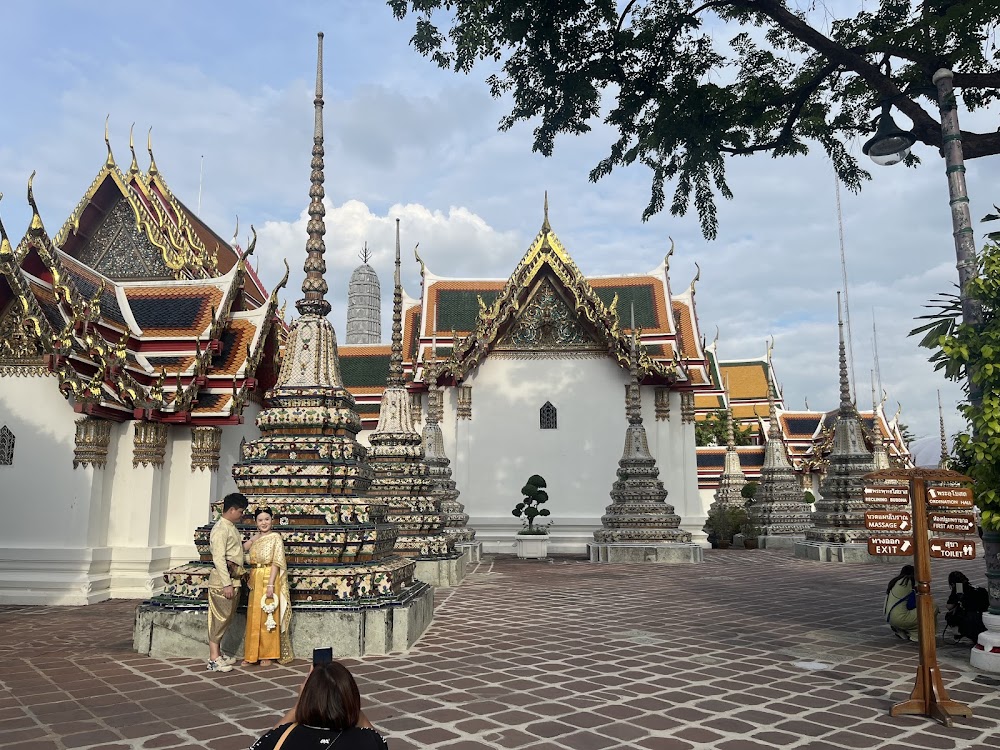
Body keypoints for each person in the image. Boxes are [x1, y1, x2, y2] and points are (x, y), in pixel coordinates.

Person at [249, 661, 388, 749]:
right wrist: (348, 702)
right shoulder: (367, 741)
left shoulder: (281, 736)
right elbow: (381, 742)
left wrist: (299, 705)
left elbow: (261, 744)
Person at [242, 507, 293, 666]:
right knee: (253, 615)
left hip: (269, 577)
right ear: (255, 522)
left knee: (268, 616)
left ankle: (268, 654)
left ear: (272, 519)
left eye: (267, 519)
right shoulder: (255, 538)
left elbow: (277, 562)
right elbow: (240, 550)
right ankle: (252, 654)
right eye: (260, 520)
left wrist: (271, 583)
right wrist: (252, 540)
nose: (264, 523)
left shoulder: (275, 538)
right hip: (255, 577)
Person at [207, 492, 249, 673]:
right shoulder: (220, 530)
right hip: (222, 582)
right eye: (240, 511)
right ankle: (213, 657)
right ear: (231, 510)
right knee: (219, 618)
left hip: (234, 579)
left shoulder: (230, 527)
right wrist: (226, 584)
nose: (242, 514)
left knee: (226, 618)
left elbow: (236, 552)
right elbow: (219, 559)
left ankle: (218, 653)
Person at [945, 571, 989, 644]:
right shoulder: (975, 587)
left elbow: (949, 606)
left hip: (972, 618)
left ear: (952, 583)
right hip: (984, 616)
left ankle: (959, 633)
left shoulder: (959, 588)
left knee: (950, 616)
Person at [884, 564, 918, 641]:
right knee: (931, 608)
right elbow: (911, 605)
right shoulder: (908, 582)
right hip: (899, 618)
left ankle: (901, 630)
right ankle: (915, 634)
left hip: (888, 616)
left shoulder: (895, 581)